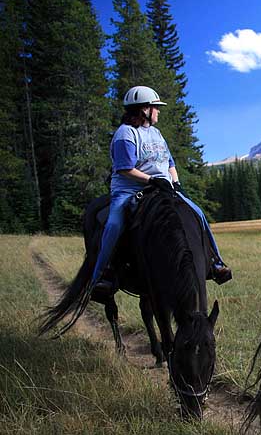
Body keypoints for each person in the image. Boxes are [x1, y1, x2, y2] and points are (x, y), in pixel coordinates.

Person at [91, 85, 232, 298]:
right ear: (143, 110)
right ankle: (101, 276)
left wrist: (175, 183)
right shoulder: (125, 134)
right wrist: (153, 180)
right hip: (129, 190)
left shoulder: (156, 133)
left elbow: (170, 162)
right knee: (114, 224)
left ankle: (215, 262)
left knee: (197, 213)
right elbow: (125, 168)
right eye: (155, 107)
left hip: (163, 187)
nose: (158, 111)